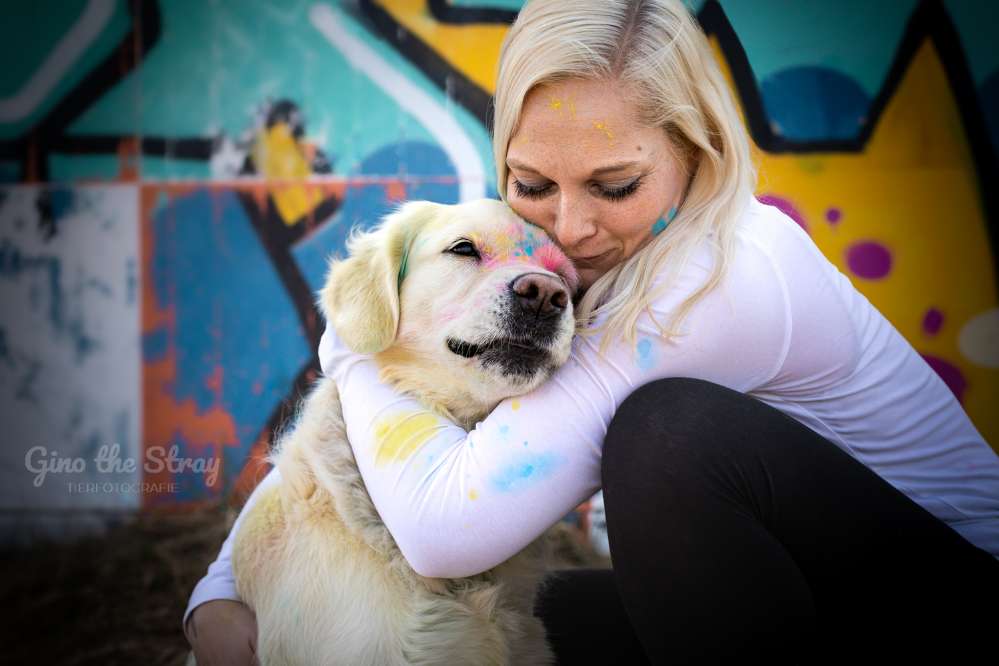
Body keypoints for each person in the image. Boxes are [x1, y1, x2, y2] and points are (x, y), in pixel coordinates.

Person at [184, 0, 999, 663]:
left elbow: (444, 532)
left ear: (696, 152)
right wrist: (224, 590)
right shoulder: (571, 255)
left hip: (950, 602)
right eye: (532, 182)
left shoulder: (719, 278)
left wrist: (356, 343)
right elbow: (395, 441)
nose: (568, 227)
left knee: (666, 435)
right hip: (809, 587)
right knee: (493, 622)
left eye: (614, 185)